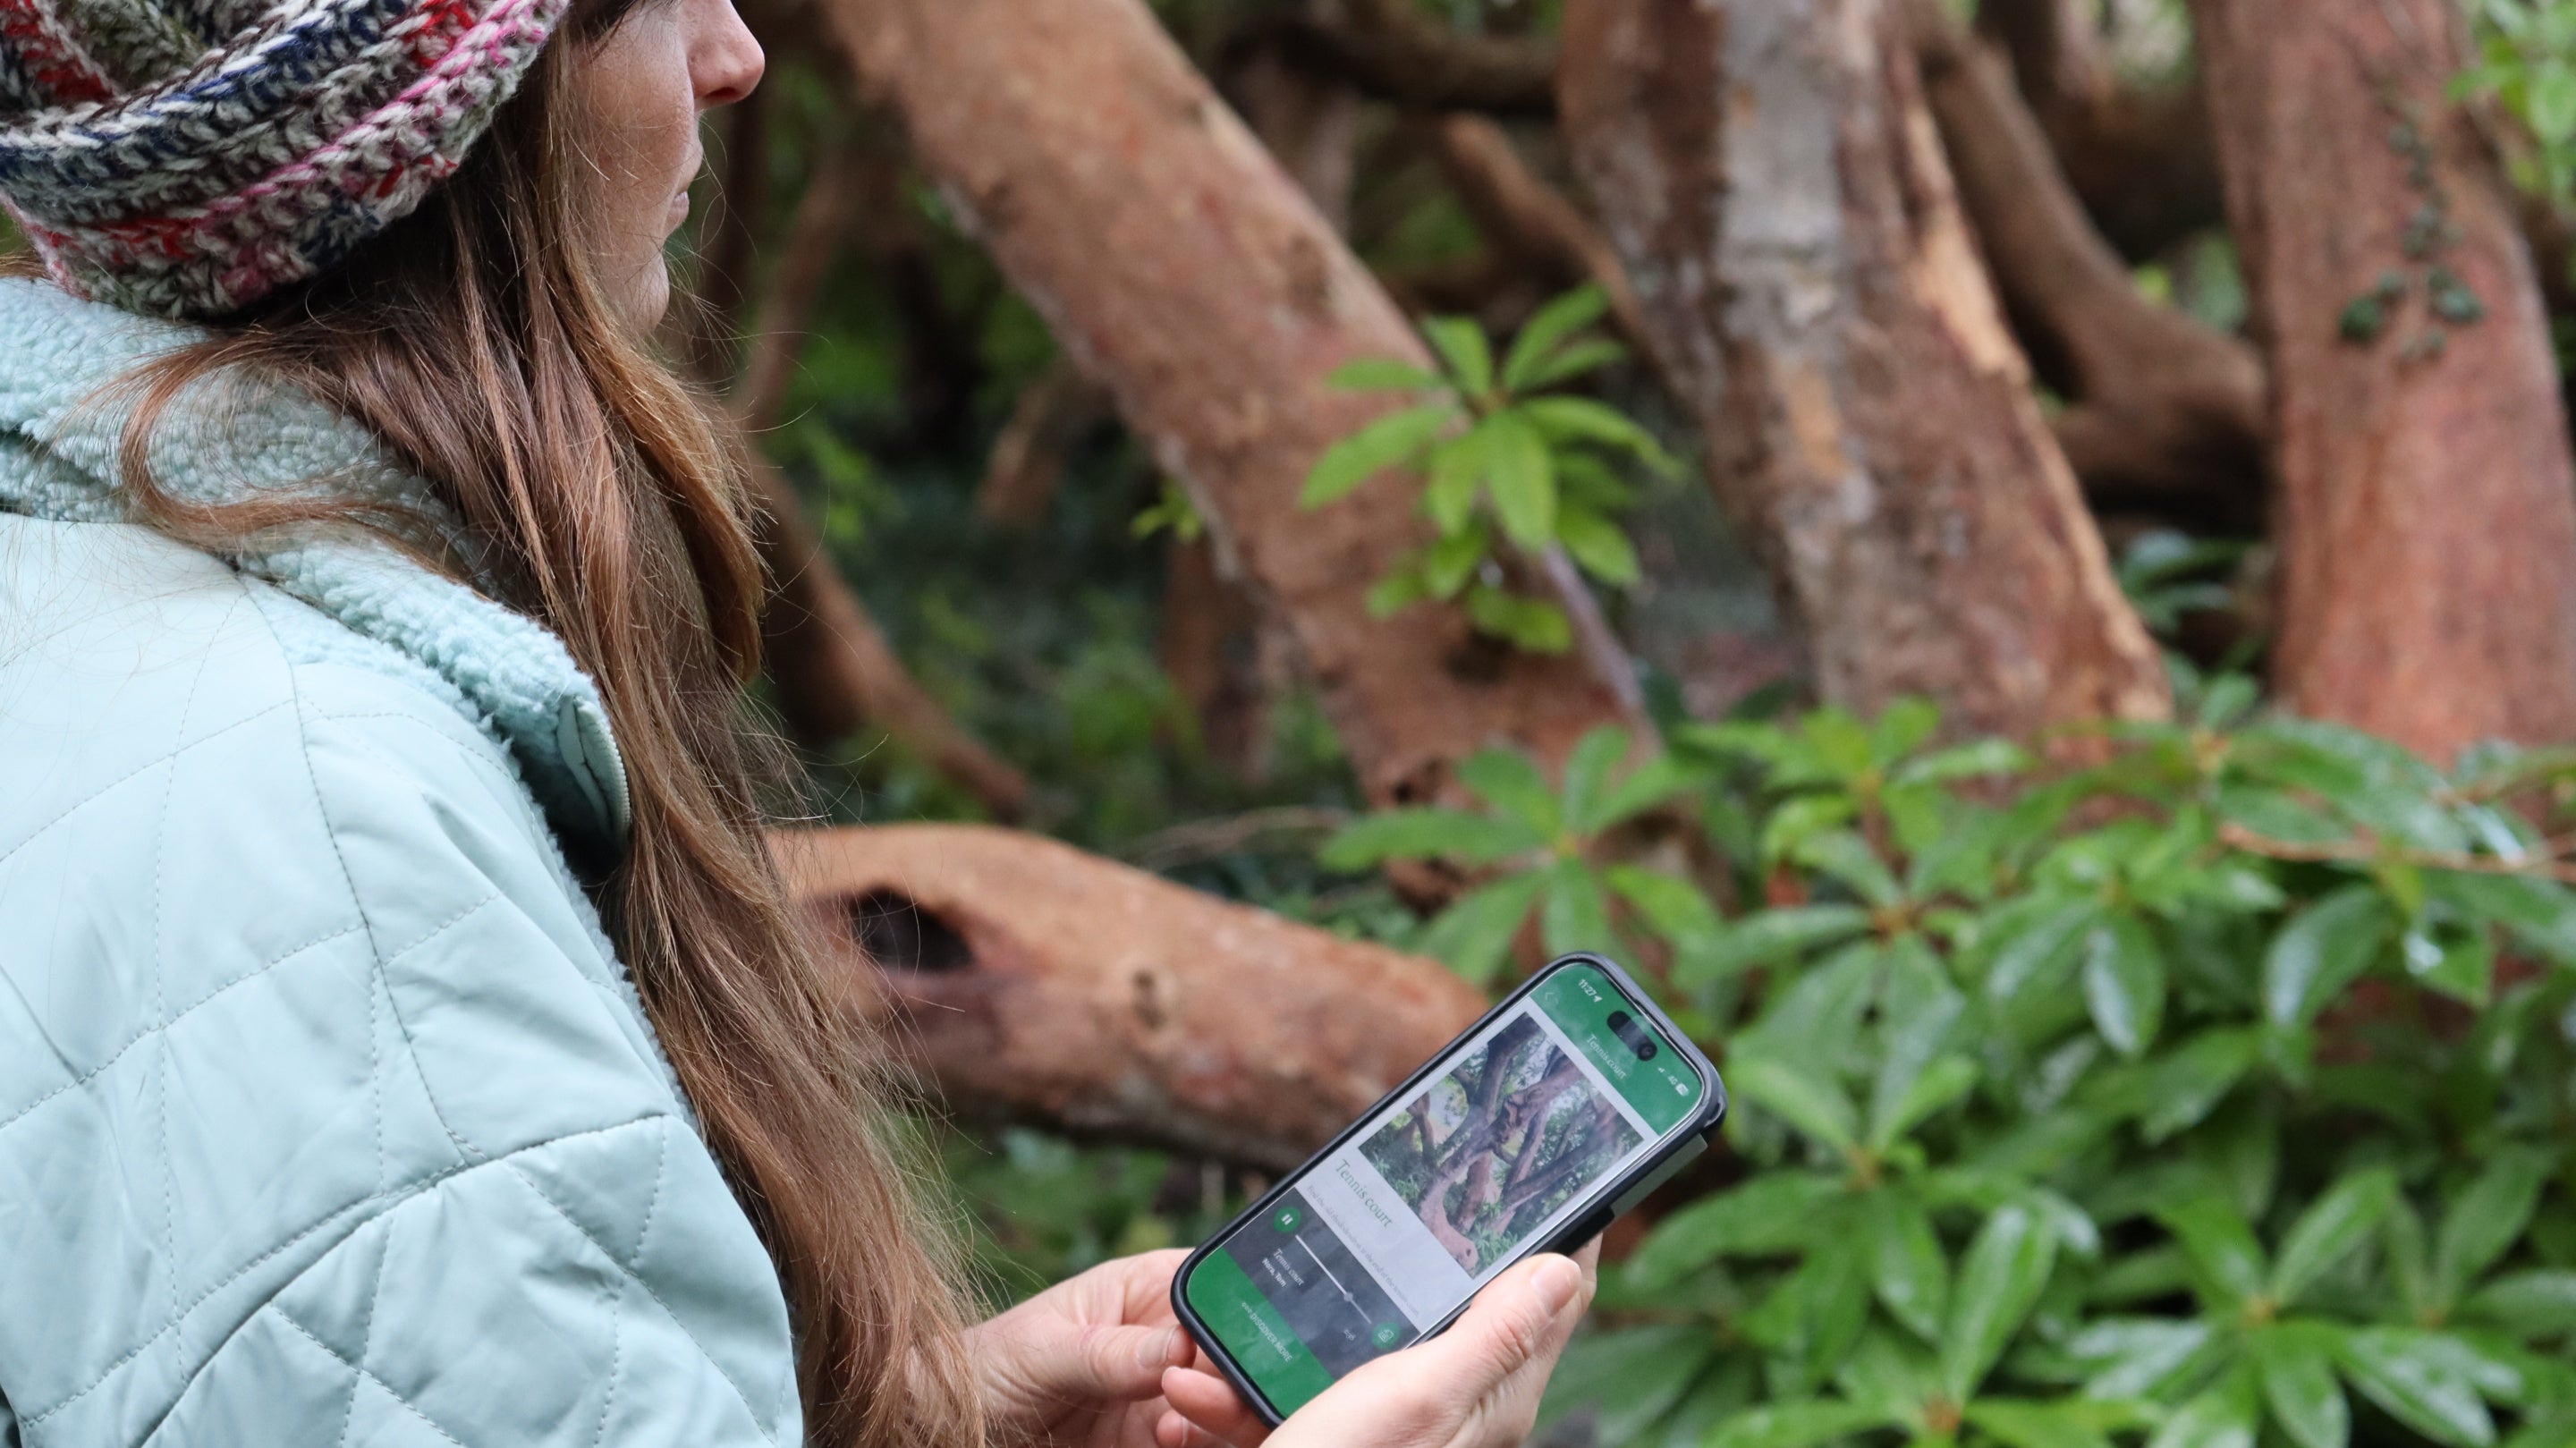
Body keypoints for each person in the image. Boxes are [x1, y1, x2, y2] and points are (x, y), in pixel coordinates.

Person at [0, 0, 1598, 1440]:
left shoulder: (84, 599)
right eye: (638, 7)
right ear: (427, 132)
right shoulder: (341, 847)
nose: (737, 51)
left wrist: (897, 1423)